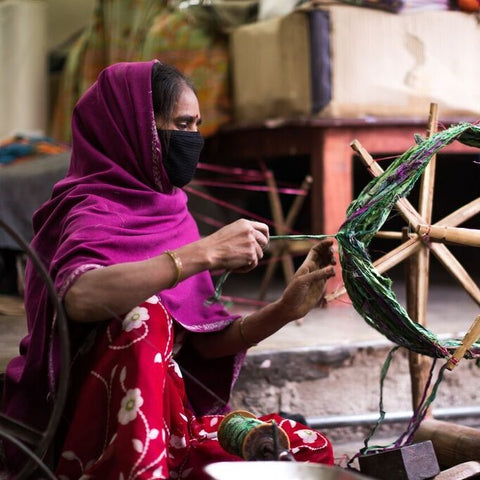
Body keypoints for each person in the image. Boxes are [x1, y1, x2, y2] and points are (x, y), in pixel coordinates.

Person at [1, 60, 336, 479]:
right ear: (135, 129)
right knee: (146, 316)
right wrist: (201, 254)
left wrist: (286, 309)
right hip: (90, 425)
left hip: (167, 424)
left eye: (197, 125)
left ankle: (159, 461)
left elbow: (203, 343)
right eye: (182, 124)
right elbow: (78, 296)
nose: (192, 139)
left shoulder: (173, 211)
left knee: (310, 453)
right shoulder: (91, 207)